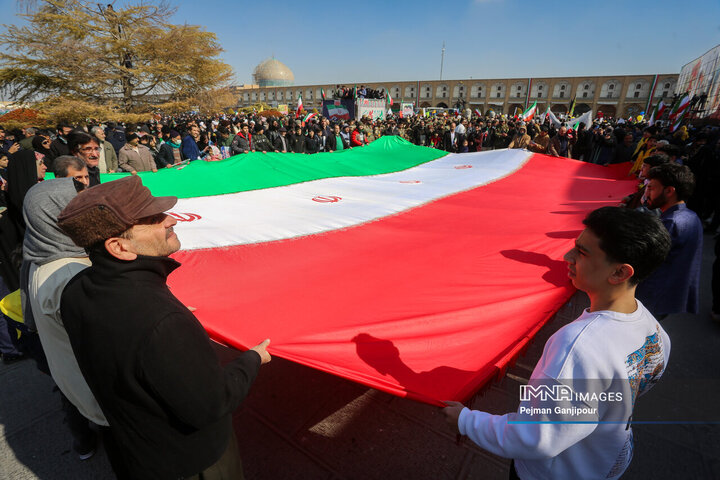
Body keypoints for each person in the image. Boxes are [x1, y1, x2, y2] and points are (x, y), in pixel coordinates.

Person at [57, 176, 272, 479]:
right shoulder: (161, 321)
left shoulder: (75, 289)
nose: (171, 219)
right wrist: (252, 359)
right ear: (119, 246)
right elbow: (212, 404)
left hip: (136, 452)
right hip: (192, 463)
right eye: (153, 218)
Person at [442, 206, 672, 480]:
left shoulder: (578, 346)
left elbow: (537, 436)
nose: (568, 257)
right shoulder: (653, 328)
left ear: (620, 272)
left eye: (582, 252)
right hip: (604, 458)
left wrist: (467, 421)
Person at [22, 177, 106, 460]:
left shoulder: (40, 255)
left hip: (77, 386)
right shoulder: (71, 274)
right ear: (56, 215)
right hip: (101, 393)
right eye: (77, 206)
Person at [635, 163, 703, 317]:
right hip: (667, 296)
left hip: (651, 297)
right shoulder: (690, 216)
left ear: (669, 191)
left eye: (651, 188)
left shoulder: (671, 222)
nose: (647, 193)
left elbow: (643, 257)